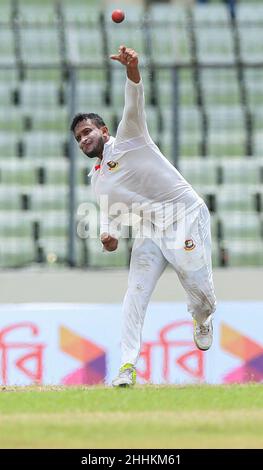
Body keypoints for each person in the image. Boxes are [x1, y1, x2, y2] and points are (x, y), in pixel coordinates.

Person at [70, 45, 216, 387]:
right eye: (78, 138)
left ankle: (202, 317)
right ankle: (127, 366)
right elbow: (111, 226)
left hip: (185, 216)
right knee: (134, 293)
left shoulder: (131, 138)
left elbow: (133, 100)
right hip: (150, 230)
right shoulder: (99, 180)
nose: (83, 139)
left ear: (104, 132)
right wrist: (108, 239)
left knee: (200, 292)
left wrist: (132, 69)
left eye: (88, 132)